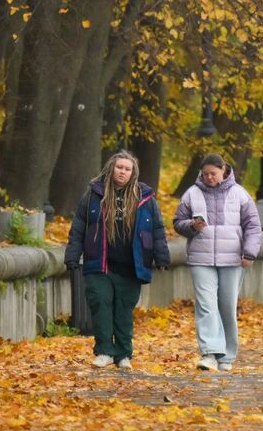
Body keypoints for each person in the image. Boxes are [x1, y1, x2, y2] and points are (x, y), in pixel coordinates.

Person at [65, 150, 171, 369]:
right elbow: (77, 229)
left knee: (123, 309)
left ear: (133, 173)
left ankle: (123, 354)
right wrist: (72, 257)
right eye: (119, 167)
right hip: (99, 263)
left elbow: (157, 229)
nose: (122, 172)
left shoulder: (145, 198)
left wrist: (162, 257)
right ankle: (104, 350)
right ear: (111, 168)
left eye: (127, 169)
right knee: (100, 304)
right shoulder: (94, 195)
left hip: (131, 265)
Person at [174, 153, 262, 372]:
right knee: (205, 305)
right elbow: (177, 223)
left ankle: (227, 355)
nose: (209, 178)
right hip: (201, 258)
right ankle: (209, 353)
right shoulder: (192, 194)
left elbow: (253, 225)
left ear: (224, 170)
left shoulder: (239, 194)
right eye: (205, 174)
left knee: (226, 306)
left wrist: (249, 252)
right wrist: (191, 226)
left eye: (213, 173)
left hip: (232, 259)